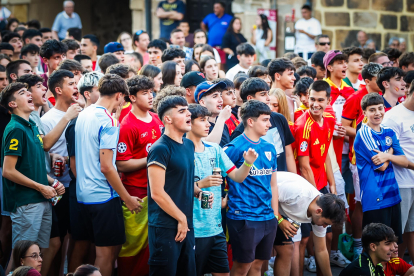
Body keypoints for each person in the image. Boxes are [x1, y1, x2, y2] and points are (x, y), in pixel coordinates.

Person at [75, 74, 141, 276]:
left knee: (92, 253)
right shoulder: (107, 121)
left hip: (83, 195)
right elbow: (107, 166)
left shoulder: (85, 114)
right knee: (106, 254)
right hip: (103, 196)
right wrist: (127, 198)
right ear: (120, 95)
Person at [186, 103, 257, 276]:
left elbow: (238, 177)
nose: (207, 124)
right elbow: (172, 189)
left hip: (216, 229)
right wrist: (201, 184)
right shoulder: (179, 151)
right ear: (189, 122)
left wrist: (248, 162)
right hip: (192, 230)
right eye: (202, 120)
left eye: (207, 120)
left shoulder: (215, 149)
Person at [0, 83, 64, 274]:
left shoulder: (33, 125)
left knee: (36, 255)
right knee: (21, 255)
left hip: (41, 198)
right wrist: (40, 187)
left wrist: (52, 182)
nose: (29, 94)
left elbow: (31, 167)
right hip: (26, 202)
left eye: (28, 91)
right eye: (22, 93)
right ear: (12, 104)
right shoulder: (16, 129)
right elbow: (8, 171)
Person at [146, 95, 200, 275]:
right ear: (167, 119)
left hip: (186, 225)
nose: (189, 114)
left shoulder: (189, 145)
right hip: (165, 227)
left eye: (188, 110)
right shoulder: (160, 148)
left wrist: (196, 190)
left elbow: (180, 178)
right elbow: (157, 193)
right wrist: (181, 218)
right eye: (182, 111)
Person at [223, 100, 278, 276]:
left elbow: (273, 184)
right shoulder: (234, 147)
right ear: (250, 121)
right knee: (242, 266)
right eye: (265, 120)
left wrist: (275, 216)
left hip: (268, 217)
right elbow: (217, 176)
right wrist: (223, 200)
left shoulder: (269, 147)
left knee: (259, 264)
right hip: (244, 217)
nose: (269, 124)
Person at [115, 75, 163, 275]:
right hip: (137, 194)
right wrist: (153, 159)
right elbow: (122, 164)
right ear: (132, 98)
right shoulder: (127, 125)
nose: (151, 97)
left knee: (153, 246)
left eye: (151, 92)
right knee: (133, 247)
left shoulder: (156, 118)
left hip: (158, 191)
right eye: (145, 93)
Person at [354, 93, 408, 245]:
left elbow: (403, 161)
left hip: (393, 195)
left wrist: (387, 155)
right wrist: (391, 153)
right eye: (372, 110)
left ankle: (392, 270)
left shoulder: (388, 131)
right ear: (364, 112)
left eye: (380, 108)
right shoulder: (364, 133)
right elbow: (382, 166)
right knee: (376, 247)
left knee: (393, 244)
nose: (377, 113)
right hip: (376, 199)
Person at [341, 63, 383, 258]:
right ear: (367, 81)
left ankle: (379, 244)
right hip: (360, 160)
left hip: (382, 160)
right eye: (378, 79)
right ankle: (358, 245)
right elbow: (343, 127)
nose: (382, 82)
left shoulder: (385, 99)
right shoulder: (354, 98)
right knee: (361, 203)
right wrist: (366, 133)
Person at [65, 71, 103, 273]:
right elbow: (74, 165)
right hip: (81, 192)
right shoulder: (76, 122)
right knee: (81, 243)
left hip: (94, 189)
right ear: (87, 94)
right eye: (100, 89)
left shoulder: (99, 117)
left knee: (93, 244)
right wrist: (88, 189)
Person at [231, 77, 296, 174]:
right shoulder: (239, 132)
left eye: (268, 93)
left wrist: (293, 180)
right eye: (263, 94)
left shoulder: (279, 118)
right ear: (250, 99)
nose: (268, 98)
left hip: (283, 180)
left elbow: (288, 154)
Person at [383, 84, 414, 263]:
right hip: (400, 183)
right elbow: (387, 154)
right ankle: (390, 268)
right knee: (396, 233)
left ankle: (401, 268)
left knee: (411, 230)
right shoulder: (393, 117)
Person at [194, 80, 231, 147]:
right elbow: (210, 147)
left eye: (220, 96)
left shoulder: (223, 124)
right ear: (202, 102)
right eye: (215, 96)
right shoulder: (198, 124)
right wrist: (222, 118)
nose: (220, 100)